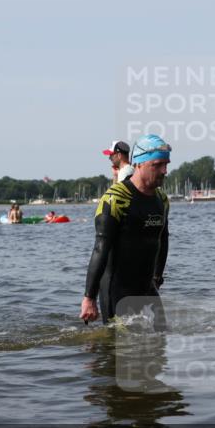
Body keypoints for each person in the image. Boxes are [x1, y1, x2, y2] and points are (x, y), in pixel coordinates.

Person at [81, 134, 171, 324]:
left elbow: (163, 240)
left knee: (160, 341)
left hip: (147, 287)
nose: (165, 170)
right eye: (158, 165)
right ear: (139, 164)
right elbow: (100, 248)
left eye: (166, 164)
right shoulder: (115, 199)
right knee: (117, 349)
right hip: (117, 290)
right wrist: (89, 298)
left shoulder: (161, 200)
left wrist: (157, 278)